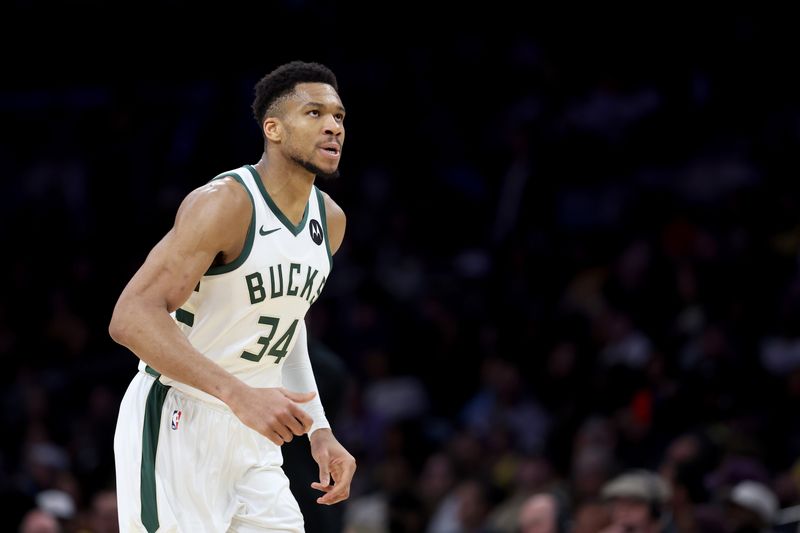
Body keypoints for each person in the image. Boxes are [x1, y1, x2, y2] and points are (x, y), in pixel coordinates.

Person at [109, 60, 357, 532]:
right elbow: (130, 317)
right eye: (314, 113)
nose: (333, 126)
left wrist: (320, 429)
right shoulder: (225, 203)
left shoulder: (332, 221)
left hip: (252, 435)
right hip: (178, 421)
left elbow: (288, 326)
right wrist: (237, 394)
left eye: (340, 116)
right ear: (274, 128)